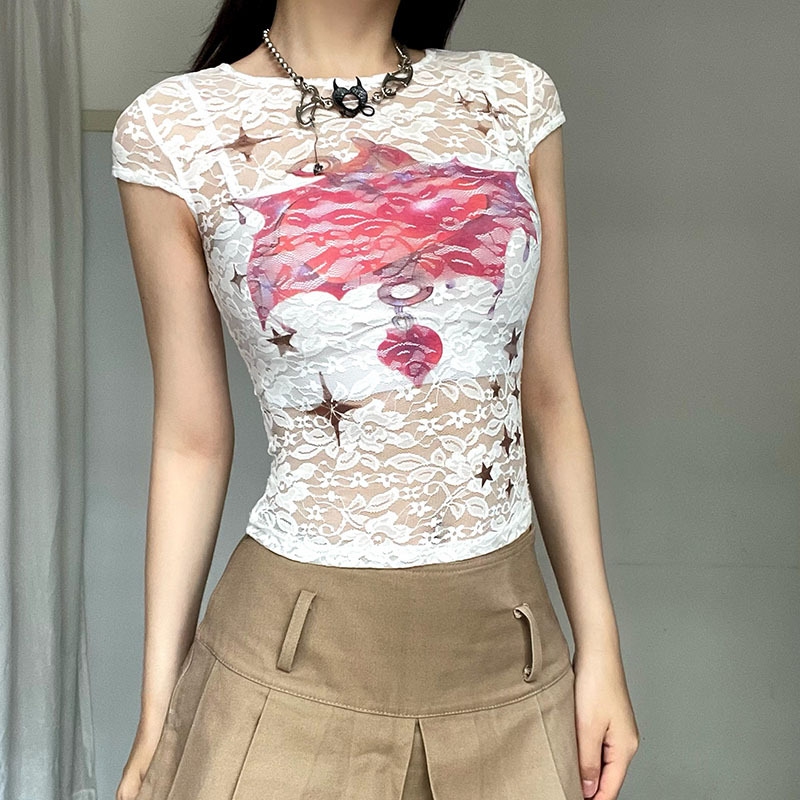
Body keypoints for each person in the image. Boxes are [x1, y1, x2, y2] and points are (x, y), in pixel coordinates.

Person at [111, 0, 639, 798]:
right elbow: (192, 438)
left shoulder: (512, 95)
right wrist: (159, 708)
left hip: (512, 653)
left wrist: (601, 650)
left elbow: (550, 397)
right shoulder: (174, 128)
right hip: (290, 656)